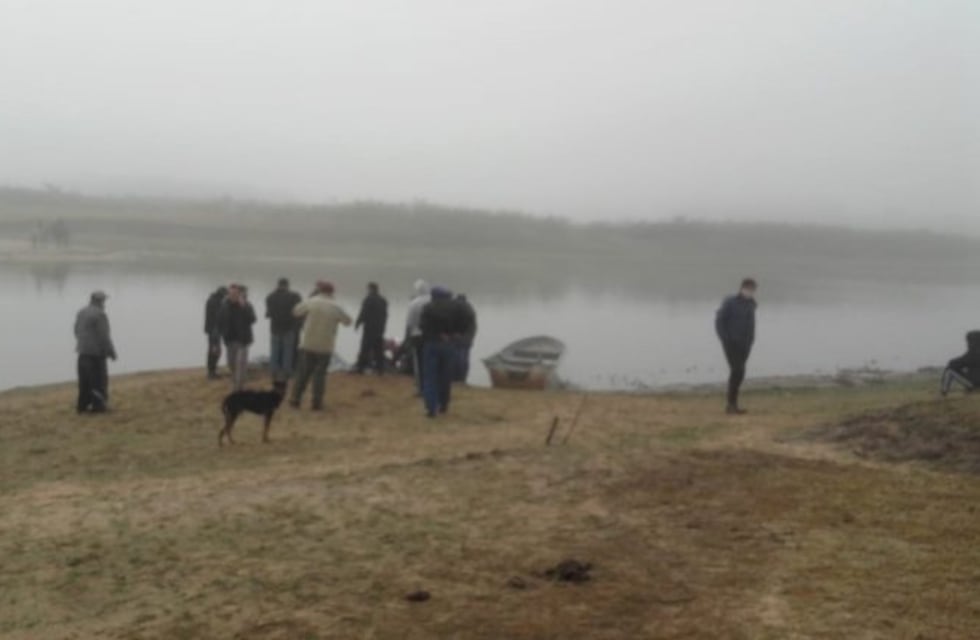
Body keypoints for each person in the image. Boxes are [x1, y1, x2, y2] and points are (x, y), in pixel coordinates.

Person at [291, 281, 352, 410]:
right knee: (320, 375)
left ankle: (295, 399)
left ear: (320, 290)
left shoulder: (312, 301)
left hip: (308, 343)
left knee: (303, 373)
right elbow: (348, 321)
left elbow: (296, 311)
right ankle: (316, 403)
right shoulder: (336, 306)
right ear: (332, 292)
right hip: (325, 346)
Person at [420, 286, 465, 417]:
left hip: (432, 344)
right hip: (449, 345)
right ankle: (444, 405)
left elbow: (422, 326)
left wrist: (436, 334)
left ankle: (431, 408)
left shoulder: (428, 307)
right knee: (445, 376)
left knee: (430, 376)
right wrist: (453, 335)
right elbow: (462, 325)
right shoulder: (456, 308)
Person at [715, 278, 758, 415]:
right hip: (731, 344)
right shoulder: (730, 302)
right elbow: (719, 321)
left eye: (752, 290)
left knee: (739, 373)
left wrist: (751, 339)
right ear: (742, 288)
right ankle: (731, 405)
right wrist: (725, 338)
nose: (750, 292)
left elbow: (751, 324)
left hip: (745, 344)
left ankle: (733, 404)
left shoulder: (752, 304)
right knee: (737, 370)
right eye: (748, 289)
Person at [74, 290, 117, 413]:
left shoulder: (81, 312)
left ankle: (82, 407)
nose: (104, 304)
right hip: (96, 355)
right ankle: (99, 407)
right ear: (100, 301)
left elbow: (76, 331)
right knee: (99, 382)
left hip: (82, 353)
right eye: (103, 301)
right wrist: (111, 352)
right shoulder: (100, 314)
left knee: (84, 382)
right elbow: (104, 336)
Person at [216, 283, 256, 391]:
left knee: (241, 364)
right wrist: (218, 338)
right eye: (231, 294)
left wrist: (244, 307)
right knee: (231, 364)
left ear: (239, 294)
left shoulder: (247, 305)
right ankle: (235, 382)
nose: (233, 296)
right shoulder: (224, 305)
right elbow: (219, 322)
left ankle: (238, 388)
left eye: (235, 294)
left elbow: (253, 319)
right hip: (229, 339)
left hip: (243, 340)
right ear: (228, 294)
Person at [265, 277, 302, 384]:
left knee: (274, 351)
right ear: (287, 285)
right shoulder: (294, 296)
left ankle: (274, 372)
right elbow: (298, 312)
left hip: (275, 328)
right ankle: (287, 373)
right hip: (289, 328)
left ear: (278, 285)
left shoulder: (270, 297)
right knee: (288, 352)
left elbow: (268, 314)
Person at [354, 282, 388, 375]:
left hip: (369, 328)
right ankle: (380, 369)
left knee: (365, 348)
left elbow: (363, 312)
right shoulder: (383, 300)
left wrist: (358, 323)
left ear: (371, 289)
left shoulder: (368, 299)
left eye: (368, 289)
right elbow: (385, 315)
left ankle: (360, 368)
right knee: (378, 349)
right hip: (380, 328)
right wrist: (383, 327)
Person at [404, 279, 431, 394]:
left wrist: (407, 339)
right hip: (432, 336)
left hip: (417, 336)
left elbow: (409, 323)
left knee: (419, 363)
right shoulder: (433, 301)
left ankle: (421, 388)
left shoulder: (414, 303)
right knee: (431, 362)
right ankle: (431, 386)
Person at [941, 331, 980, 396]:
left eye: (968, 341)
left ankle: (943, 393)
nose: (967, 344)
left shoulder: (972, 353)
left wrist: (951, 362)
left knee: (949, 371)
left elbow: (955, 363)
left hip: (974, 384)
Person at [204, 285, 228, 379]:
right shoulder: (216, 302)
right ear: (222, 294)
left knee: (214, 350)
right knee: (215, 351)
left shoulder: (212, 299)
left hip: (212, 329)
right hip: (214, 330)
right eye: (225, 295)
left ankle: (212, 371)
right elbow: (218, 317)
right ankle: (211, 372)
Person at [453, 294, 477, 383]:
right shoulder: (470, 309)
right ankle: (463, 379)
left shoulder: (454, 309)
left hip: (457, 338)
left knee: (457, 359)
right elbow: (473, 327)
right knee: (464, 360)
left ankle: (456, 378)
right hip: (467, 339)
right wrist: (470, 338)